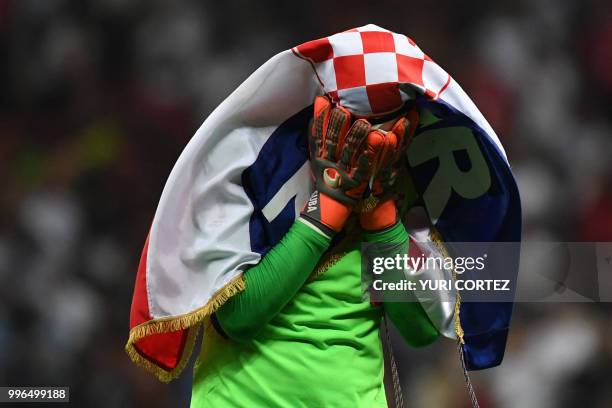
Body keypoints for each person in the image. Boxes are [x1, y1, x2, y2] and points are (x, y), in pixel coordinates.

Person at [190, 96, 439, 407]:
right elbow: (236, 316)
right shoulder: (245, 156)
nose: (366, 132)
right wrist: (328, 209)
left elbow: (422, 329)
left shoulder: (416, 175)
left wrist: (380, 214)